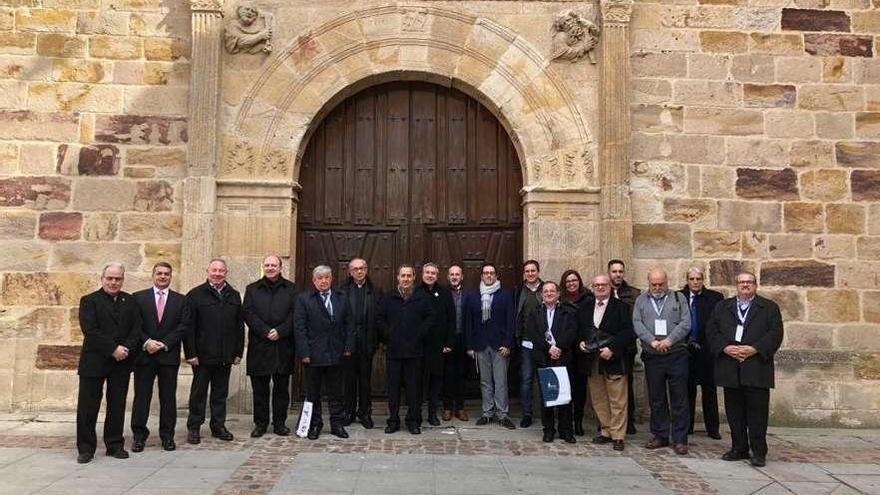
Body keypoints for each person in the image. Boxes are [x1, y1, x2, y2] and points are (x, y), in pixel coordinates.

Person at [707, 272, 783, 467]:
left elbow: (775, 334)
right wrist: (725, 347)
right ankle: (739, 448)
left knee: (757, 413)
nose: (745, 285)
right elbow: (712, 330)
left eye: (749, 282)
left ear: (755, 285)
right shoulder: (722, 307)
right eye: (742, 282)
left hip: (756, 367)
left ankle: (758, 451)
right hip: (730, 367)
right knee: (734, 413)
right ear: (736, 286)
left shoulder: (769, 308)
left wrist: (754, 349)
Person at [76, 262, 142, 464]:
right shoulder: (89, 301)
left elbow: (136, 329)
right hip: (94, 361)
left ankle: (114, 444)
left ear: (123, 280)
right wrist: (113, 349)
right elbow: (90, 330)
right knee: (88, 406)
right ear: (102, 278)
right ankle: (86, 448)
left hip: (121, 362)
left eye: (118, 279)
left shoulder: (130, 301)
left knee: (117, 405)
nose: (114, 282)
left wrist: (125, 349)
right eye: (110, 278)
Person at [184, 258, 245, 444]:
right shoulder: (195, 295)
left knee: (220, 393)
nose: (217, 274)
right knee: (199, 393)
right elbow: (188, 327)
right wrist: (190, 353)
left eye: (221, 271)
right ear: (208, 271)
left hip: (225, 354)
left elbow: (239, 326)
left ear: (226, 273)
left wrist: (238, 352)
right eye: (214, 270)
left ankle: (218, 425)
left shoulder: (233, 295)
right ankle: (194, 427)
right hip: (202, 355)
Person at [131, 262, 189, 453]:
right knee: (141, 398)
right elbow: (134, 325)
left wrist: (164, 344)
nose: (163, 276)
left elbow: (183, 326)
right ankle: (139, 436)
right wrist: (147, 342)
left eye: (166, 274)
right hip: (145, 355)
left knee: (168, 398)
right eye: (159, 273)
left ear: (171, 276)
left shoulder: (181, 300)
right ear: (153, 275)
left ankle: (167, 436)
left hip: (167, 356)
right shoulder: (138, 298)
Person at [632, 268, 691, 455]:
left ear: (667, 282)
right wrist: (653, 341)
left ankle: (680, 438)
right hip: (653, 355)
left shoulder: (679, 298)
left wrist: (669, 340)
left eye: (661, 284)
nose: (657, 287)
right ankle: (660, 434)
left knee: (679, 398)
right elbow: (637, 323)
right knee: (656, 398)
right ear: (648, 283)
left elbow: (686, 323)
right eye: (653, 284)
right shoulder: (641, 300)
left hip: (676, 354)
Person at [294, 265, 354, 440]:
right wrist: (304, 352)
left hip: (336, 353)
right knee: (313, 393)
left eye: (326, 277)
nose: (323, 281)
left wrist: (348, 347)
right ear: (314, 281)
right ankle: (314, 424)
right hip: (313, 355)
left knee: (336, 392)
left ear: (331, 279)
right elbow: (300, 327)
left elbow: (349, 325)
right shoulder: (304, 299)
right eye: (319, 278)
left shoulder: (341, 298)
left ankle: (337, 424)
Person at [243, 255, 297, 438]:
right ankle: (260, 423)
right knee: (260, 389)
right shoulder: (252, 289)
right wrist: (266, 331)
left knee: (281, 389)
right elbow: (248, 314)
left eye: (274, 265)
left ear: (280, 267)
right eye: (267, 265)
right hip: (260, 345)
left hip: (283, 346)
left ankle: (280, 423)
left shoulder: (291, 289)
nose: (270, 268)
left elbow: (294, 315)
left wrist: (280, 331)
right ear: (263, 267)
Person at [578, 274, 633, 451]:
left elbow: (627, 332)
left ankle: (618, 435)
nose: (600, 288)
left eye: (603, 285)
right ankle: (606, 430)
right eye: (596, 285)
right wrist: (581, 342)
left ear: (610, 286)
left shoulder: (621, 307)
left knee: (617, 398)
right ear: (592, 287)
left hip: (613, 358)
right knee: (598, 397)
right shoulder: (585, 307)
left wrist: (613, 349)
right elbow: (580, 329)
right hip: (593, 360)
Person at [379, 264, 435, 434]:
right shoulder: (389, 297)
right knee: (393, 389)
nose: (405, 279)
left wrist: (419, 334)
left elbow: (431, 317)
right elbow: (379, 318)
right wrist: (388, 335)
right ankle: (393, 420)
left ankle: (413, 421)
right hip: (394, 351)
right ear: (397, 277)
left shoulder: (421, 297)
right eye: (402, 276)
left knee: (414, 389)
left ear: (413, 277)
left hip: (414, 352)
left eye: (408, 276)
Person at [465, 262, 516, 429]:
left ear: (496, 276)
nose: (488, 275)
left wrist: (508, 343)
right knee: (485, 381)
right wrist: (470, 346)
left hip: (499, 346)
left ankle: (502, 414)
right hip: (480, 345)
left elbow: (510, 321)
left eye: (491, 273)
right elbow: (469, 323)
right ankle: (487, 412)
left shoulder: (505, 295)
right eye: (486, 273)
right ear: (481, 276)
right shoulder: (474, 295)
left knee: (501, 381)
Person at [527, 281, 578, 444]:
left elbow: (571, 331)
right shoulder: (535, 313)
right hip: (544, 357)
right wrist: (549, 348)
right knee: (547, 397)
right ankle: (548, 429)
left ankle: (566, 430)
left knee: (564, 396)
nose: (549, 293)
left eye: (552, 291)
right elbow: (533, 333)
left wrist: (559, 347)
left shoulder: (567, 312)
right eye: (546, 291)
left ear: (558, 294)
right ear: (542, 294)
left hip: (562, 358)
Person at [680, 267, 724, 440]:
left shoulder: (715, 298)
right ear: (687, 280)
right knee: (686, 389)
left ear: (703, 279)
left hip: (707, 350)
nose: (695, 282)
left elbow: (718, 323)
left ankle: (712, 428)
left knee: (709, 390)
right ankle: (687, 425)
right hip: (685, 349)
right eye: (692, 279)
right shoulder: (678, 296)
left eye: (698, 278)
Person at [339, 257, 382, 429]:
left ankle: (365, 412)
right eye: (355, 269)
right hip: (347, 343)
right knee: (348, 380)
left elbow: (379, 317)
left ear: (366, 269)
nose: (359, 271)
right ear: (350, 272)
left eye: (362, 268)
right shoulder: (341, 290)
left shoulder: (375, 290)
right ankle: (348, 411)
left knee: (365, 380)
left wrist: (377, 340)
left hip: (367, 341)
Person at [415, 262, 455, 426]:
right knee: (417, 382)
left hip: (438, 346)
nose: (430, 275)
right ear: (422, 274)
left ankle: (432, 414)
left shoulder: (444, 293)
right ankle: (416, 414)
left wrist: (449, 342)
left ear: (437, 276)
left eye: (433, 273)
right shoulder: (415, 292)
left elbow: (451, 319)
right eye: (427, 272)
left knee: (435, 382)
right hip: (418, 346)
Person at [608, 259, 641, 435]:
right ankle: (608, 421)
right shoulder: (602, 291)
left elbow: (637, 320)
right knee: (607, 386)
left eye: (620, 271)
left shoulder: (634, 294)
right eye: (614, 271)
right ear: (609, 273)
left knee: (626, 385)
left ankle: (629, 420)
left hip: (626, 347)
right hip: (606, 346)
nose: (618, 274)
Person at [560, 269, 593, 436]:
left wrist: (585, 341)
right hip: (566, 350)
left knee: (580, 389)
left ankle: (578, 421)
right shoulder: (561, 301)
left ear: (579, 281)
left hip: (582, 350)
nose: (571, 284)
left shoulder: (588, 299)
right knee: (566, 387)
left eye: (574, 280)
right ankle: (566, 422)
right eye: (568, 281)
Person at [512, 260, 543, 428]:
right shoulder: (519, 290)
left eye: (533, 271)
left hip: (544, 343)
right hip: (525, 342)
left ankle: (548, 413)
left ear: (538, 272)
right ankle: (527, 413)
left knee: (545, 378)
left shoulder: (546, 289)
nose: (530, 274)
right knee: (526, 379)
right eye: (527, 271)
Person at [443, 264, 471, 421]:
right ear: (448, 277)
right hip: (448, 339)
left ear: (462, 277)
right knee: (447, 374)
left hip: (463, 338)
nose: (454, 277)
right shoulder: (443, 293)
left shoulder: (469, 294)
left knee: (461, 374)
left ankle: (460, 408)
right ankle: (447, 407)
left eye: (457, 274)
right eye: (452, 274)